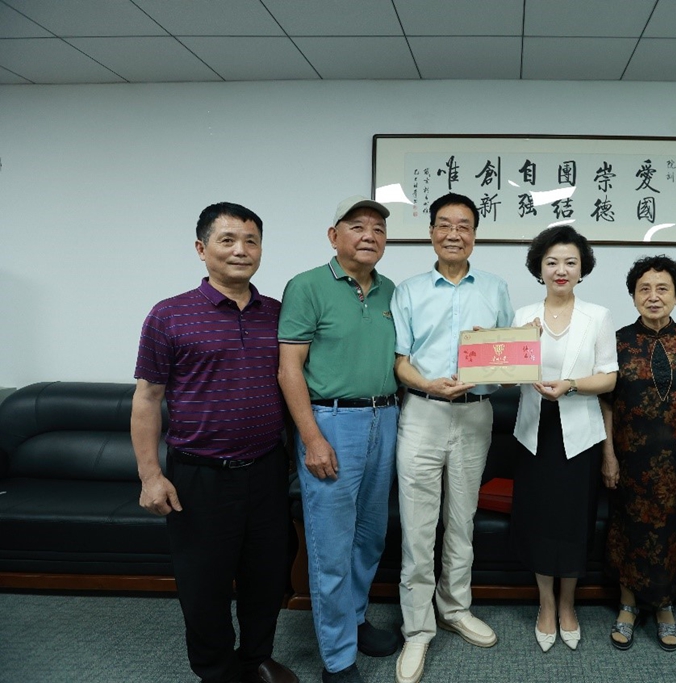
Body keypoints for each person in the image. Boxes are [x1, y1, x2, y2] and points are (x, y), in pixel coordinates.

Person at [131, 203, 297, 683]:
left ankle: (256, 656)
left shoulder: (278, 315)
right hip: (200, 475)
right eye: (227, 240)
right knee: (203, 584)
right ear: (202, 249)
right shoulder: (169, 315)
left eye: (251, 240)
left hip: (267, 469)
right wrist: (150, 475)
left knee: (267, 574)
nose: (241, 250)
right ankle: (217, 671)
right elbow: (148, 398)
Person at [391, 193, 514, 683]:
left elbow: (511, 362)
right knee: (418, 527)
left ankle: (455, 608)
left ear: (475, 235)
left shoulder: (496, 288)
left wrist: (496, 355)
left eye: (464, 225)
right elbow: (400, 361)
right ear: (431, 232)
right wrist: (428, 383)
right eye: (444, 224)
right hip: (423, 413)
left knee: (462, 521)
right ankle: (417, 628)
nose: (454, 234)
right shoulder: (408, 291)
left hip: (475, 415)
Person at [278, 196, 400, 683]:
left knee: (370, 537)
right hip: (331, 423)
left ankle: (355, 619)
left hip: (386, 419)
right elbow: (289, 369)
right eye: (357, 226)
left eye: (379, 229)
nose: (369, 236)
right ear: (334, 236)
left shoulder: (390, 290)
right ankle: (337, 658)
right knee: (331, 547)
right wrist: (311, 437)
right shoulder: (307, 286)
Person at [509, 226, 618, 652]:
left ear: (581, 268)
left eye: (570, 262)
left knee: (574, 522)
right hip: (534, 432)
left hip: (580, 433)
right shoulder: (522, 315)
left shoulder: (598, 316)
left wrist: (570, 384)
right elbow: (506, 377)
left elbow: (609, 377)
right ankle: (546, 603)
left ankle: (568, 603)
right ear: (539, 267)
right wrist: (525, 346)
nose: (561, 269)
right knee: (538, 520)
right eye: (552, 261)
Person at [600, 255, 676, 653]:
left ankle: (665, 606)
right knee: (628, 529)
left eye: (662, 288)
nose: (653, 296)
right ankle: (628, 604)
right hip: (630, 459)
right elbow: (606, 404)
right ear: (633, 296)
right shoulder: (617, 342)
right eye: (644, 289)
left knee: (673, 532)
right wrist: (609, 454)